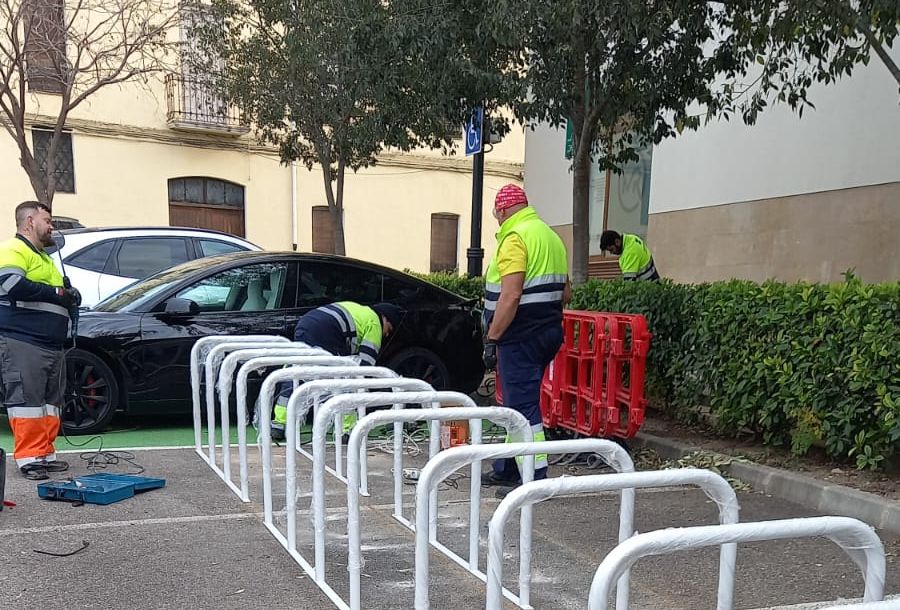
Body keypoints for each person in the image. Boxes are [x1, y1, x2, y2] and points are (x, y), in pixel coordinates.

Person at [482, 184, 570, 490]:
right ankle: (506, 466)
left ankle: (535, 477)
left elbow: (511, 295)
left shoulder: (515, 237)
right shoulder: (550, 236)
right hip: (549, 331)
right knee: (515, 401)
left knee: (523, 408)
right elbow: (566, 290)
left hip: (519, 335)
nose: (497, 220)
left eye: (497, 214)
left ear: (504, 210)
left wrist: (492, 337)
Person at [0, 201, 81, 480]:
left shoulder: (44, 257)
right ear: (30, 221)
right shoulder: (13, 249)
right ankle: (29, 459)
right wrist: (58, 294)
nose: (52, 227)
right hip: (24, 340)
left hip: (49, 343)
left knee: (49, 403)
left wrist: (70, 295)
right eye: (48, 221)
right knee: (27, 401)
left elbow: (52, 292)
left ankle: (44, 453)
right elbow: (11, 284)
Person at [270, 301, 405, 441]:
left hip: (306, 324)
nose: (387, 334)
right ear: (385, 318)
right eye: (389, 328)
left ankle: (278, 424)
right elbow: (365, 368)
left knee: (297, 372)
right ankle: (346, 431)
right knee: (348, 380)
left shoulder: (359, 310)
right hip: (328, 332)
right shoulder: (375, 323)